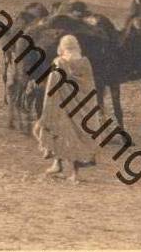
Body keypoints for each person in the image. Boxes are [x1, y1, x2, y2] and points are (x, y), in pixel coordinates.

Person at [34, 34, 97, 183]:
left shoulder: (59, 63)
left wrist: (47, 113)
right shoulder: (86, 63)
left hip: (62, 110)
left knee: (54, 133)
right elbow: (90, 88)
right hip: (83, 111)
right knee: (76, 139)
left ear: (61, 48)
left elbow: (51, 89)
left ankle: (58, 164)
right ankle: (68, 170)